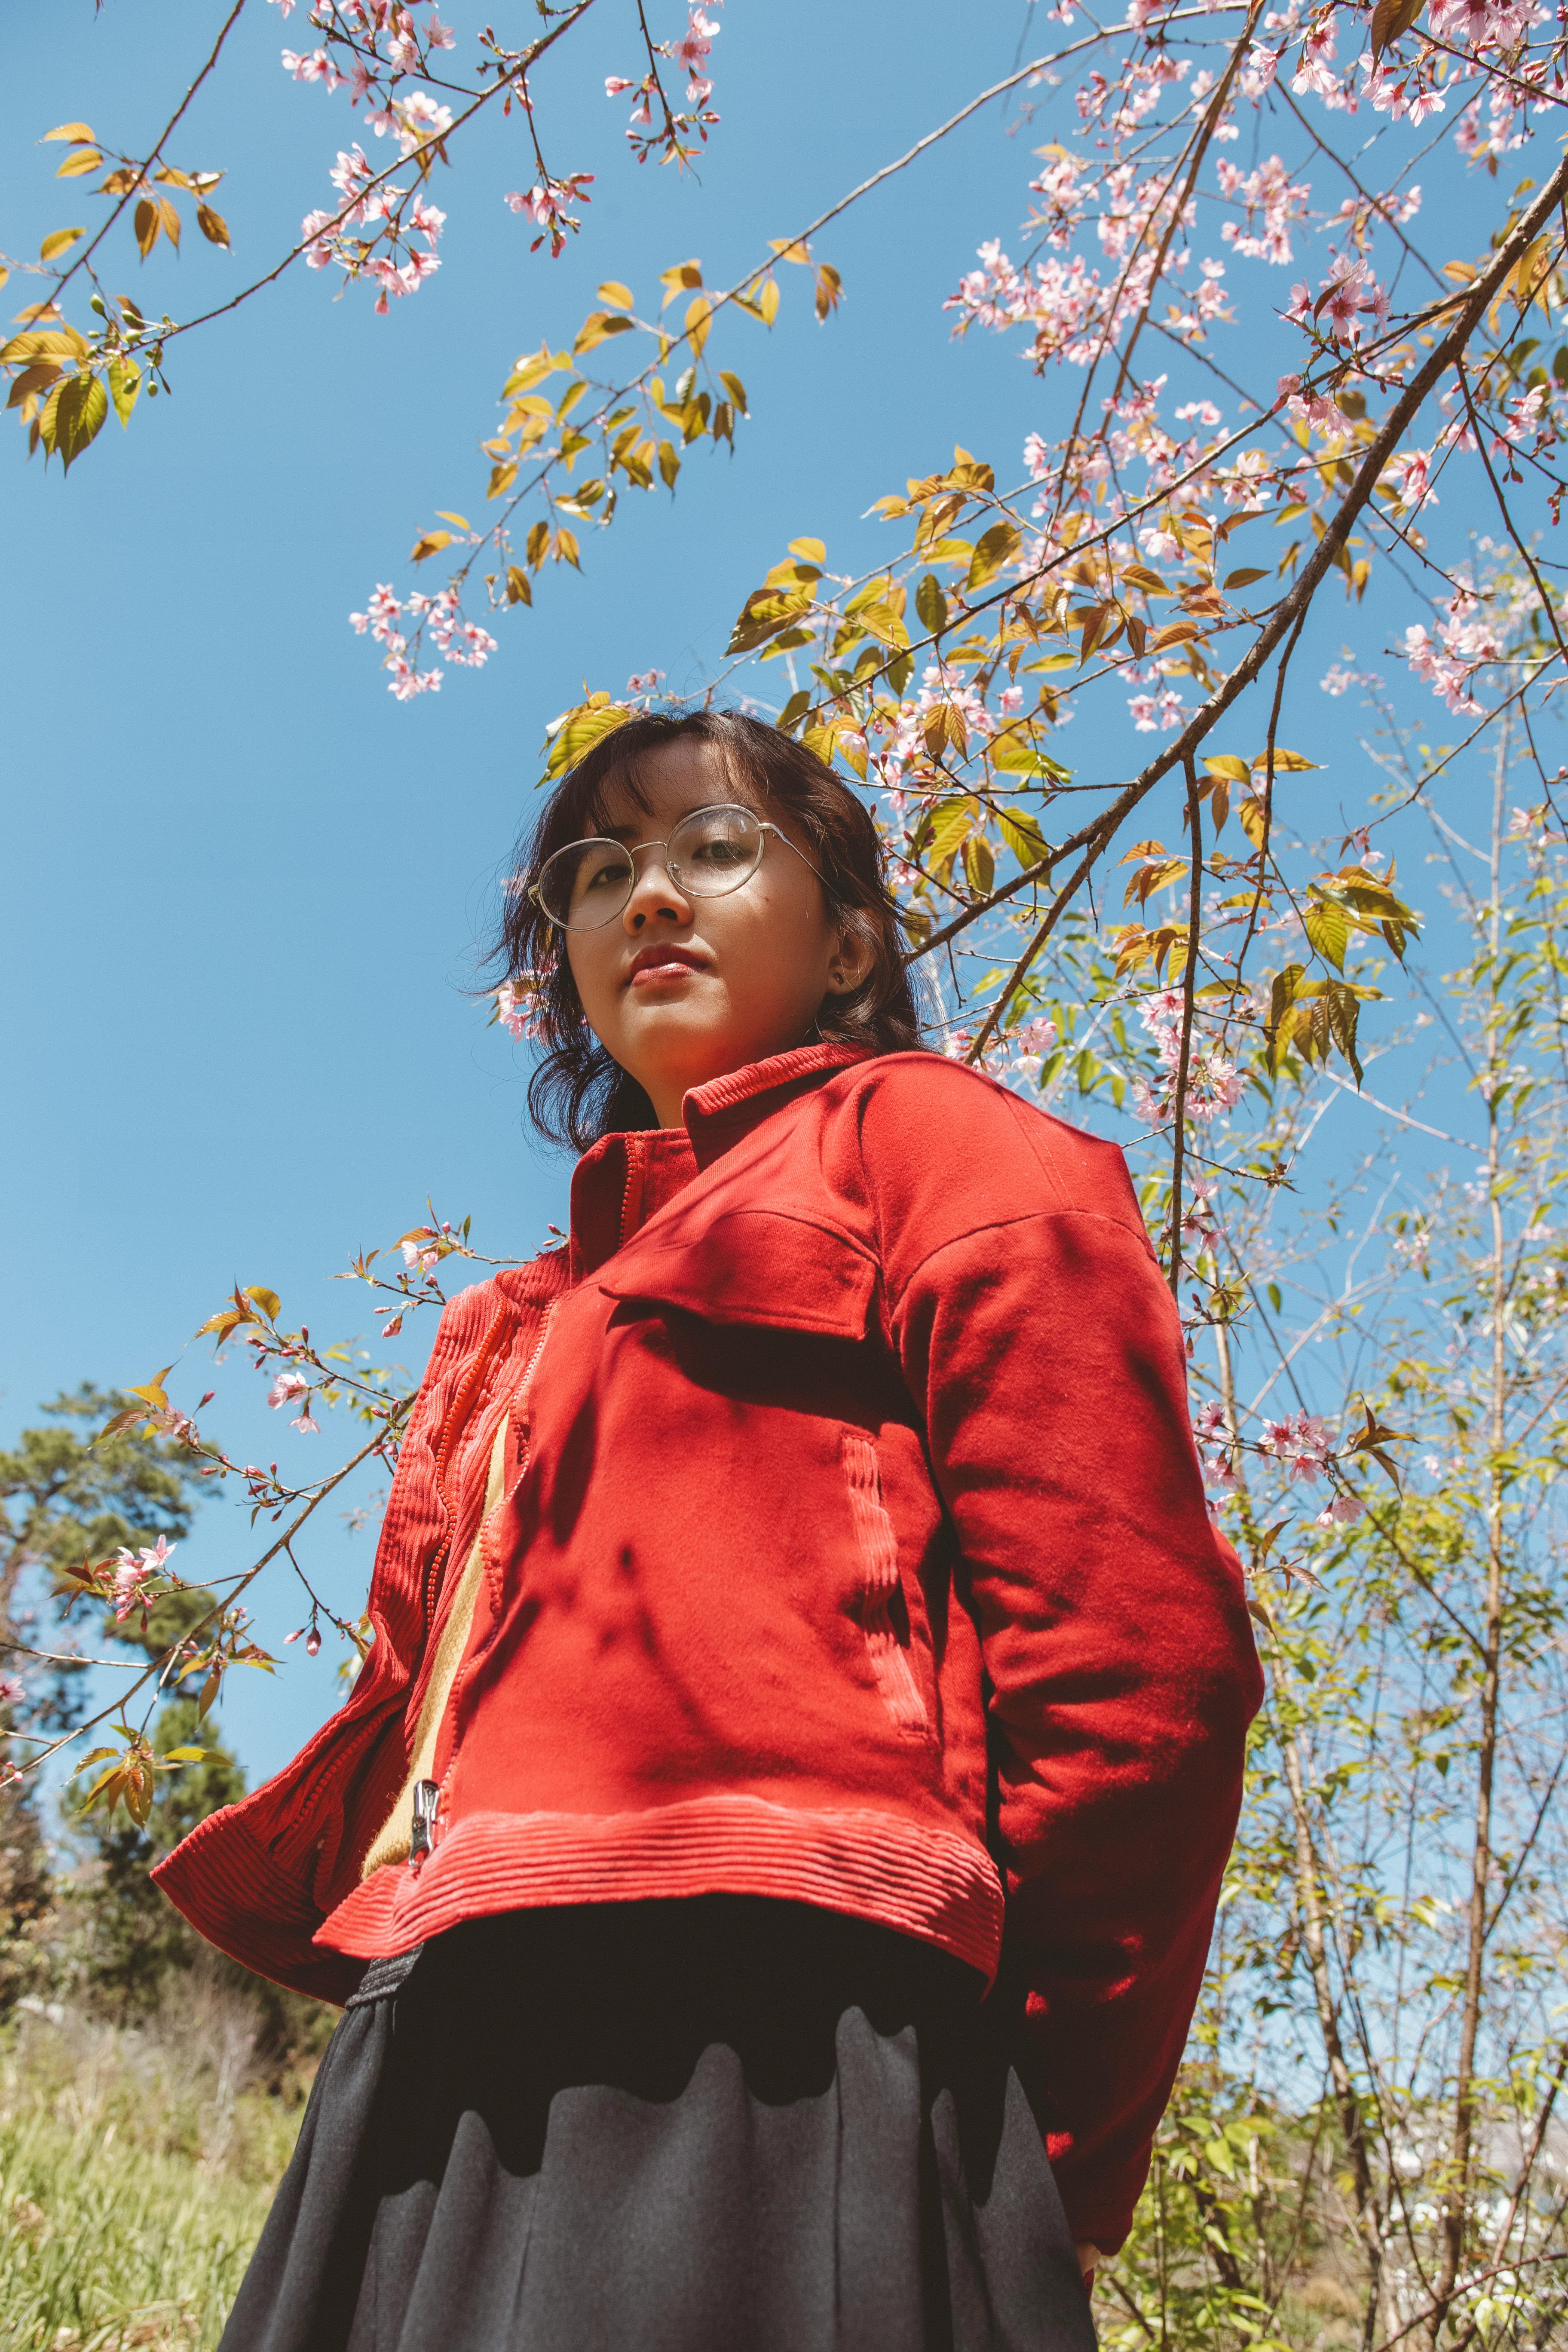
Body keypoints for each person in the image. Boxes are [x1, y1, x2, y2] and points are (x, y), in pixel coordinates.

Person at [155, 709, 1262, 2352]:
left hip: (795, 2032)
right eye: (599, 874)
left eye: (715, 847)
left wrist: (1042, 2143)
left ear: (853, 942)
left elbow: (1140, 1669)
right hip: (442, 2031)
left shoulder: (936, 1144)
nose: (648, 896)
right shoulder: (527, 1319)